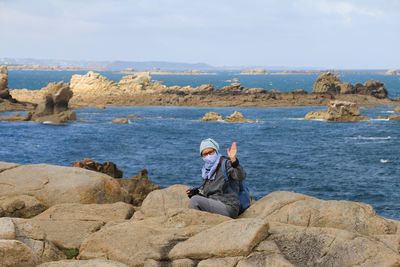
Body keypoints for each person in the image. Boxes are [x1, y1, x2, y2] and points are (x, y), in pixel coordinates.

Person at [187, 138, 246, 218]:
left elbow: (240, 176)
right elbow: (212, 194)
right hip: (216, 204)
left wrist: (234, 161)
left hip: (228, 206)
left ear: (216, 150)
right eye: (205, 154)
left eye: (210, 152)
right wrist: (197, 193)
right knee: (194, 198)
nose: (208, 156)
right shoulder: (207, 171)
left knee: (195, 201)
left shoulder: (226, 164)